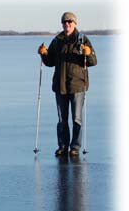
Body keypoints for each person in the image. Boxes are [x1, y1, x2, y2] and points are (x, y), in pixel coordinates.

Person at [38, 12, 97, 157]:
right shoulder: (57, 41)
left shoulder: (82, 39)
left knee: (77, 119)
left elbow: (93, 62)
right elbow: (50, 62)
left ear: (75, 23)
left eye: (70, 22)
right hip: (60, 85)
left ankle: (75, 147)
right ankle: (63, 146)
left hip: (77, 85)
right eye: (64, 22)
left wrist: (88, 53)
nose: (67, 24)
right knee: (61, 120)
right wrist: (44, 54)